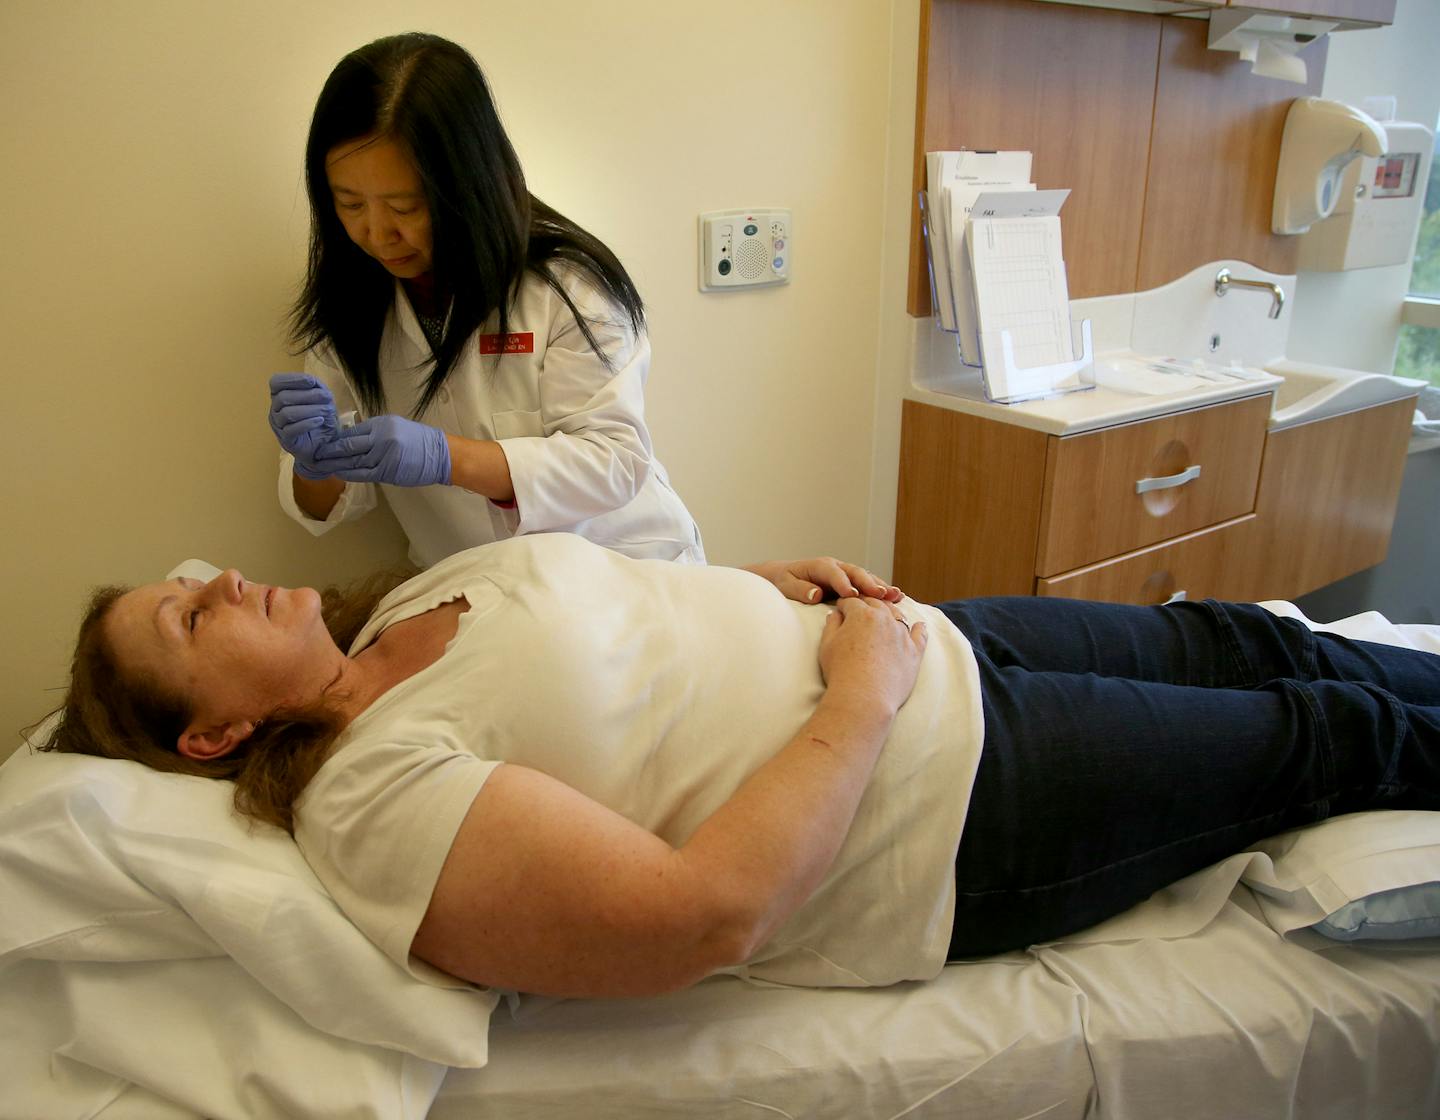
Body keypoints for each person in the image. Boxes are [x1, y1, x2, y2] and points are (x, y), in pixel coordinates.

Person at [44, 533, 1440, 1000]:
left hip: (924, 648)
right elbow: (703, 915)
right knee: (1325, 736)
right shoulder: (370, 797)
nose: (221, 579)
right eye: (190, 617)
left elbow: (626, 617)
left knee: (1255, 638)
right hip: (949, 795)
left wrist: (758, 584)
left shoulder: (405, 608)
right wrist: (859, 698)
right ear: (211, 736)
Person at [269, 32, 704, 569]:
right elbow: (330, 506)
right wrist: (316, 460)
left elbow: (613, 462)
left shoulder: (564, 287)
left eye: (405, 206)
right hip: (476, 594)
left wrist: (444, 458)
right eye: (350, 202)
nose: (378, 234)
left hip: (623, 572)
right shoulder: (351, 305)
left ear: (467, 184)